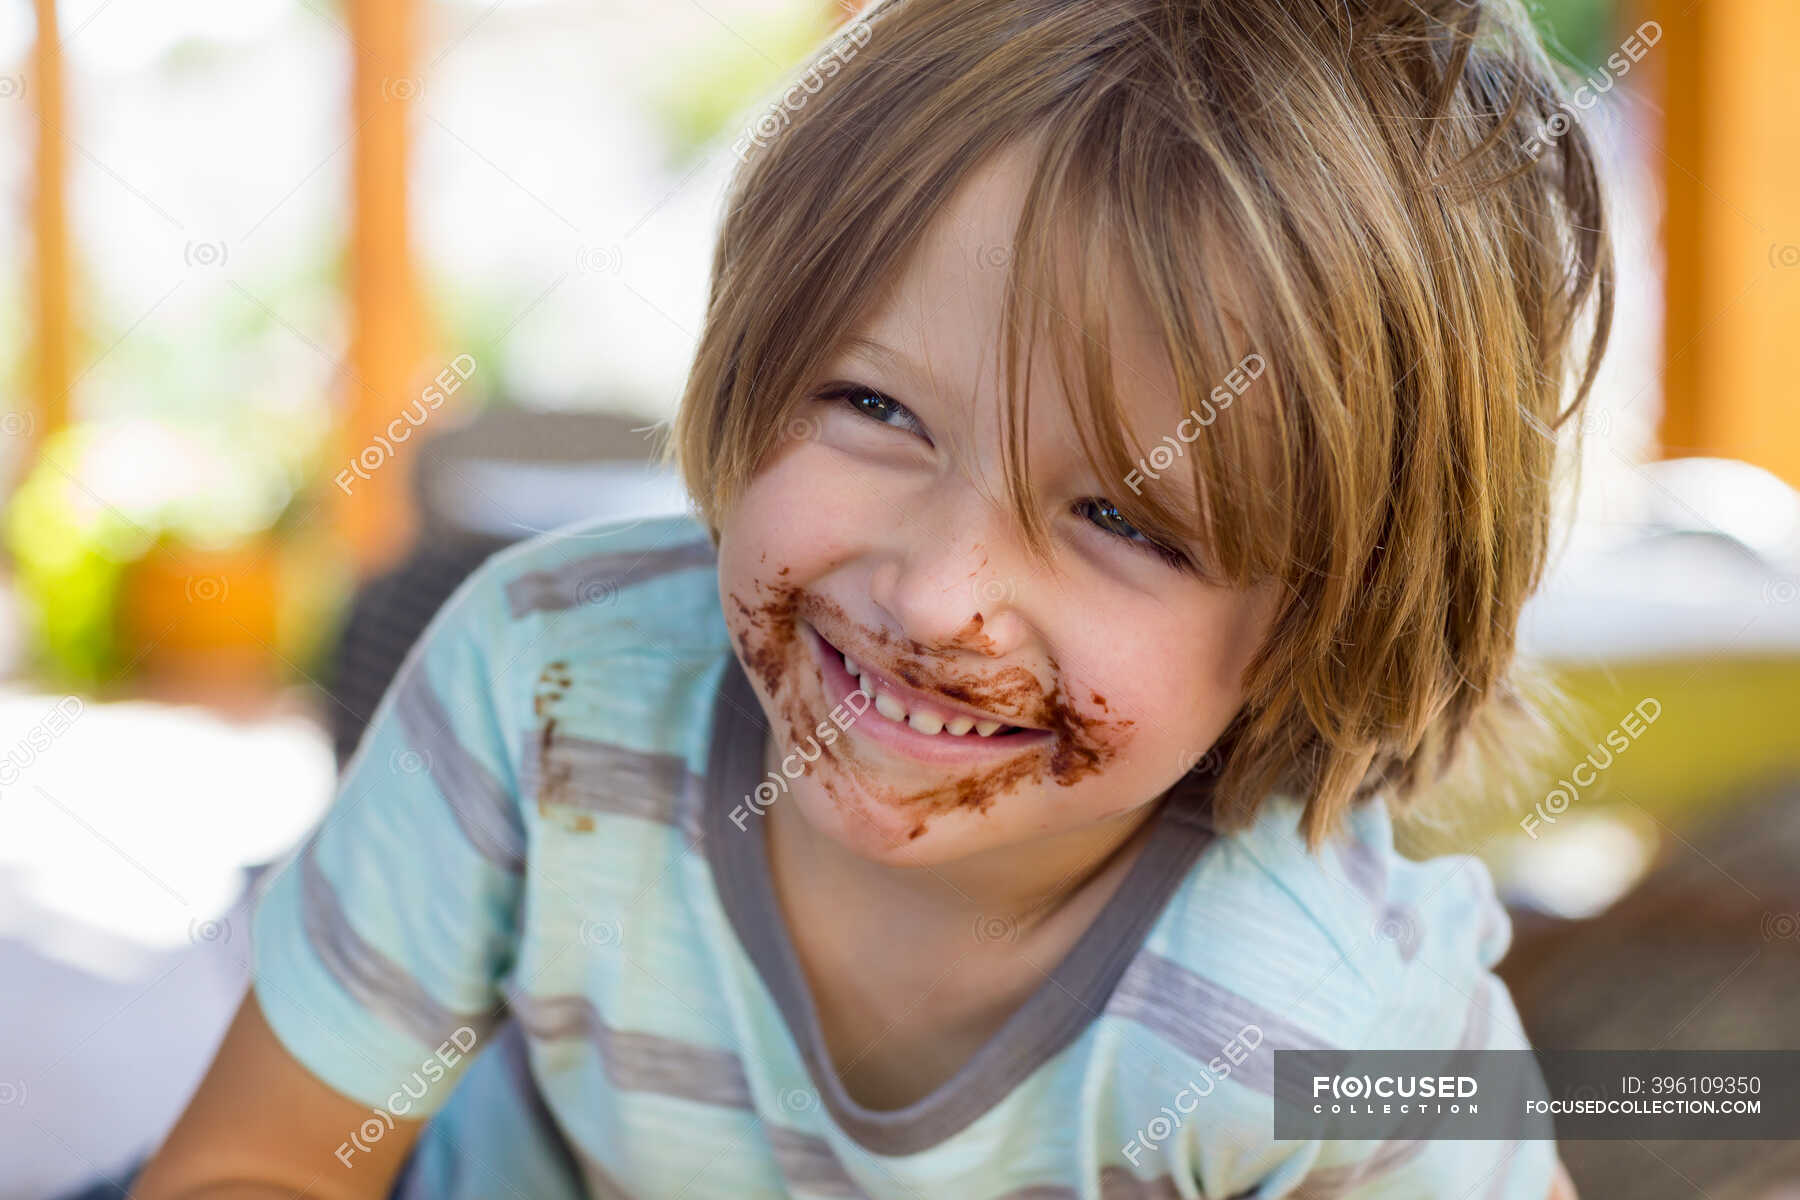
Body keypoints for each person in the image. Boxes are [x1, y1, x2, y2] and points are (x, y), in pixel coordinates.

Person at [130, 0, 1610, 1195]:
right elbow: (256, 1163)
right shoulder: (545, 691)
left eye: (1120, 519)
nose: (939, 596)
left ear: (1338, 621)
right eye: (877, 410)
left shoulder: (1330, 1020)